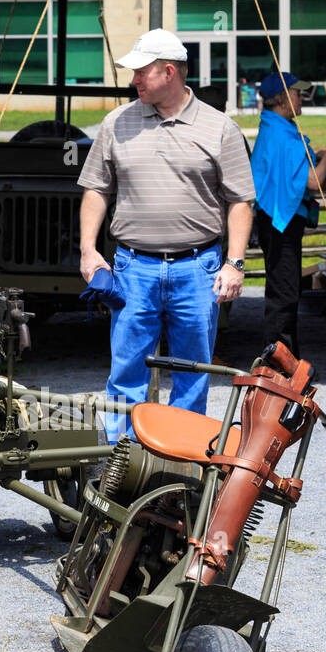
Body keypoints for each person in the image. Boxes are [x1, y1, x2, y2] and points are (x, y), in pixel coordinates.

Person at [78, 29, 254, 443]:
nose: (133, 80)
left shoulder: (219, 128)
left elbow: (241, 201)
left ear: (169, 72)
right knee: (125, 373)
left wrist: (235, 262)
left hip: (198, 268)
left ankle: (179, 467)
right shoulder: (116, 123)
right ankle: (121, 465)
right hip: (132, 267)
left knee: (192, 375)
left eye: (141, 72)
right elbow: (96, 189)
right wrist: (88, 250)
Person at [250, 71, 326, 357]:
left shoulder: (276, 129)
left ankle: (287, 360)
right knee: (284, 294)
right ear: (283, 98)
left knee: (284, 290)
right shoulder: (281, 135)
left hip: (275, 220)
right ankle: (277, 364)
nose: (302, 98)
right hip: (279, 223)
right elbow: (314, 181)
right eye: (298, 93)